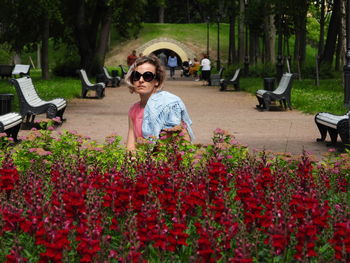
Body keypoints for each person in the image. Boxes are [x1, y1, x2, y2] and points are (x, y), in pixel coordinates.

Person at [125, 55, 194, 151]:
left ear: (156, 81)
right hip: (143, 163)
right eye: (136, 76)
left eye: (147, 76)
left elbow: (184, 143)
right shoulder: (134, 109)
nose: (141, 80)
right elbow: (131, 146)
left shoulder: (169, 105)